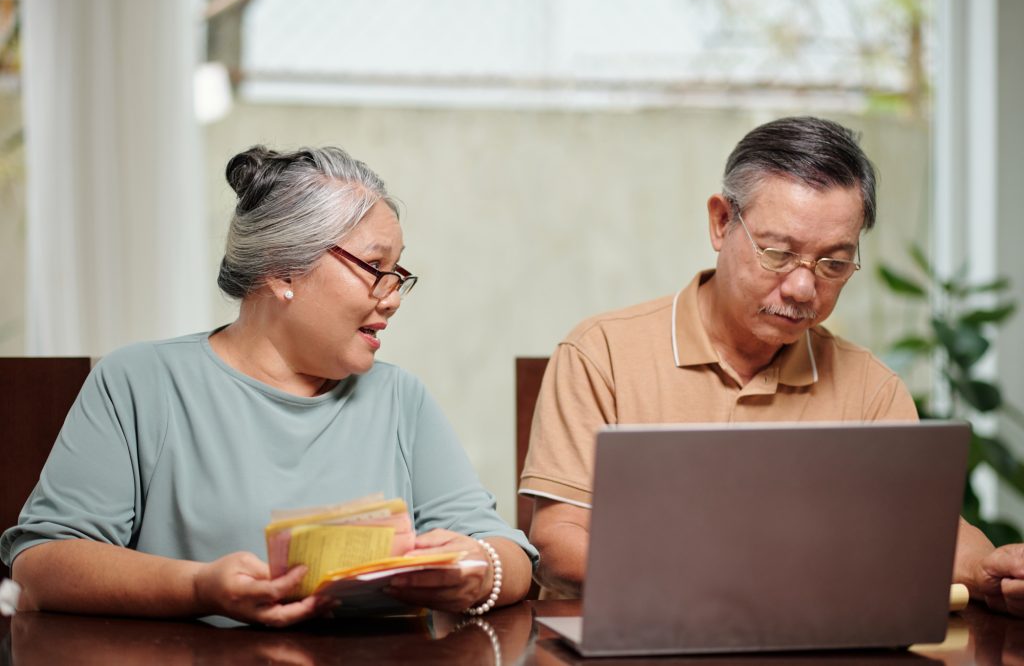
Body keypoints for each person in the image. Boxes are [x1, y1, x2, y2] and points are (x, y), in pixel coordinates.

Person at [1, 145, 536, 626]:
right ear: (283, 270)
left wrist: (479, 569)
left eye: (398, 273)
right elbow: (44, 564)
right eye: (375, 267)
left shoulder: (402, 399)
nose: (393, 295)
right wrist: (199, 589)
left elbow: (510, 557)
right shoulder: (139, 383)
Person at [518, 116, 1024, 615]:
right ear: (721, 222)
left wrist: (989, 569)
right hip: (625, 633)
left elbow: (924, 532)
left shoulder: (871, 388)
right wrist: (733, 580)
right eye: (778, 253)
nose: (803, 288)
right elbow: (558, 543)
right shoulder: (601, 352)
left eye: (833, 264)